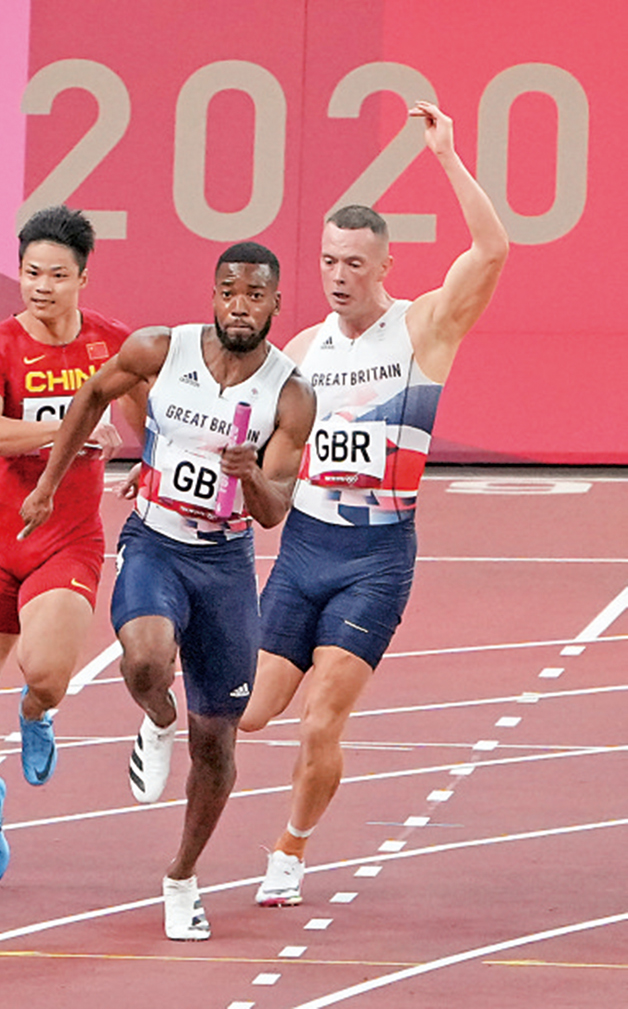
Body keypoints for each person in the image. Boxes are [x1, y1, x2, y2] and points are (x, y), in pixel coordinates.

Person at [239, 100, 508, 907]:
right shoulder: (300, 354)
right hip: (305, 551)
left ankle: (290, 849)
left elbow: (492, 250)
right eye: (328, 261)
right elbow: (266, 461)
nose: (338, 275)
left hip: (377, 558)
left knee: (322, 717)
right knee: (249, 715)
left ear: (383, 267)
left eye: (355, 262)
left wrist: (448, 158)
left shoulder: (423, 329)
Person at [21, 242, 316, 940]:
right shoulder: (161, 347)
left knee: (216, 743)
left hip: (225, 563)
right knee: (147, 659)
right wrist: (48, 484)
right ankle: (157, 717)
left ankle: (181, 876)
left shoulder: (290, 394)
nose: (239, 305)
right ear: (212, 294)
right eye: (229, 291)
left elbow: (274, 508)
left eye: (255, 295)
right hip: (154, 540)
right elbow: (93, 392)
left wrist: (248, 474)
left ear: (276, 303)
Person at [0, 205, 131, 882]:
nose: (42, 286)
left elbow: (155, 416)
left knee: (45, 671)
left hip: (68, 539)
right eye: (30, 273)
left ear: (83, 277)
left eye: (57, 274)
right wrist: (69, 431)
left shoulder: (112, 344)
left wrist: (145, 456)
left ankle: (37, 713)